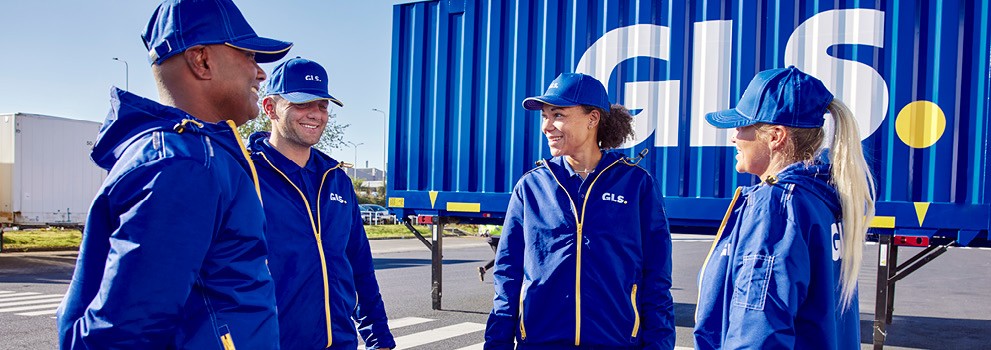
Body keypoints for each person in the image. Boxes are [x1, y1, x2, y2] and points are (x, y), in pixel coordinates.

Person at [56, 0, 292, 348]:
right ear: (201, 60)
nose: (260, 73)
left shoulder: (191, 154)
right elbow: (123, 333)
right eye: (248, 55)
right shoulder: (186, 163)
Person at [485, 73, 676, 349]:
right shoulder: (531, 187)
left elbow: (657, 279)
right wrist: (496, 343)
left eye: (558, 115)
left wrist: (659, 345)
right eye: (544, 116)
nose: (547, 126)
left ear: (592, 119)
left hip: (615, 344)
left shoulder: (637, 185)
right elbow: (508, 275)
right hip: (540, 344)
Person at [694, 66, 876, 349]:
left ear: (776, 136)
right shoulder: (820, 198)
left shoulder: (777, 206)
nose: (734, 137)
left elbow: (757, 327)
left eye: (742, 127)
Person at [249, 57, 395, 350]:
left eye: (323, 105)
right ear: (270, 108)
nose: (316, 114)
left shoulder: (337, 179)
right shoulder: (245, 175)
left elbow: (360, 267)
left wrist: (379, 337)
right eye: (302, 103)